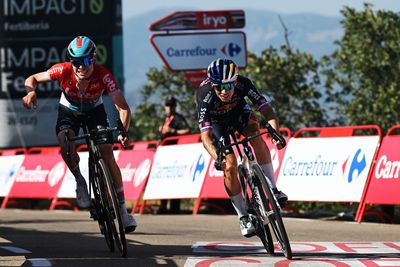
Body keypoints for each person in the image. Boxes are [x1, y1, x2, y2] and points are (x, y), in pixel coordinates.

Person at [22, 36, 137, 233]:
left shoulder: (103, 75)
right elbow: (31, 79)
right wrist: (30, 92)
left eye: (85, 61)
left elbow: (123, 107)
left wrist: (123, 131)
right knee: (65, 143)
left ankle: (123, 211)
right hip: (69, 111)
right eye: (76, 61)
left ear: (93, 59)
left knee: (107, 153)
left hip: (95, 111)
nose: (81, 67)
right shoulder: (63, 70)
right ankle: (80, 181)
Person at [196, 58, 288, 237]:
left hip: (240, 113)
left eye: (228, 86)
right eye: (219, 87)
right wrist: (217, 156)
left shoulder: (244, 84)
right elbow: (205, 137)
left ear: (235, 82)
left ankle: (273, 189)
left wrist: (275, 134)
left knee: (256, 137)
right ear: (212, 85)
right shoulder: (204, 94)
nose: (224, 92)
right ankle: (243, 217)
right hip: (217, 124)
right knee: (229, 165)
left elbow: (268, 111)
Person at [158, 96, 190, 214]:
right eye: (167, 105)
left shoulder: (178, 118)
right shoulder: (166, 119)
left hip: (174, 154)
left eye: (171, 105)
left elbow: (187, 130)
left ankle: (174, 207)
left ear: (175, 106)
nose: (169, 107)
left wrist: (173, 131)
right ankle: (163, 206)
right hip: (163, 154)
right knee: (163, 181)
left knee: (174, 180)